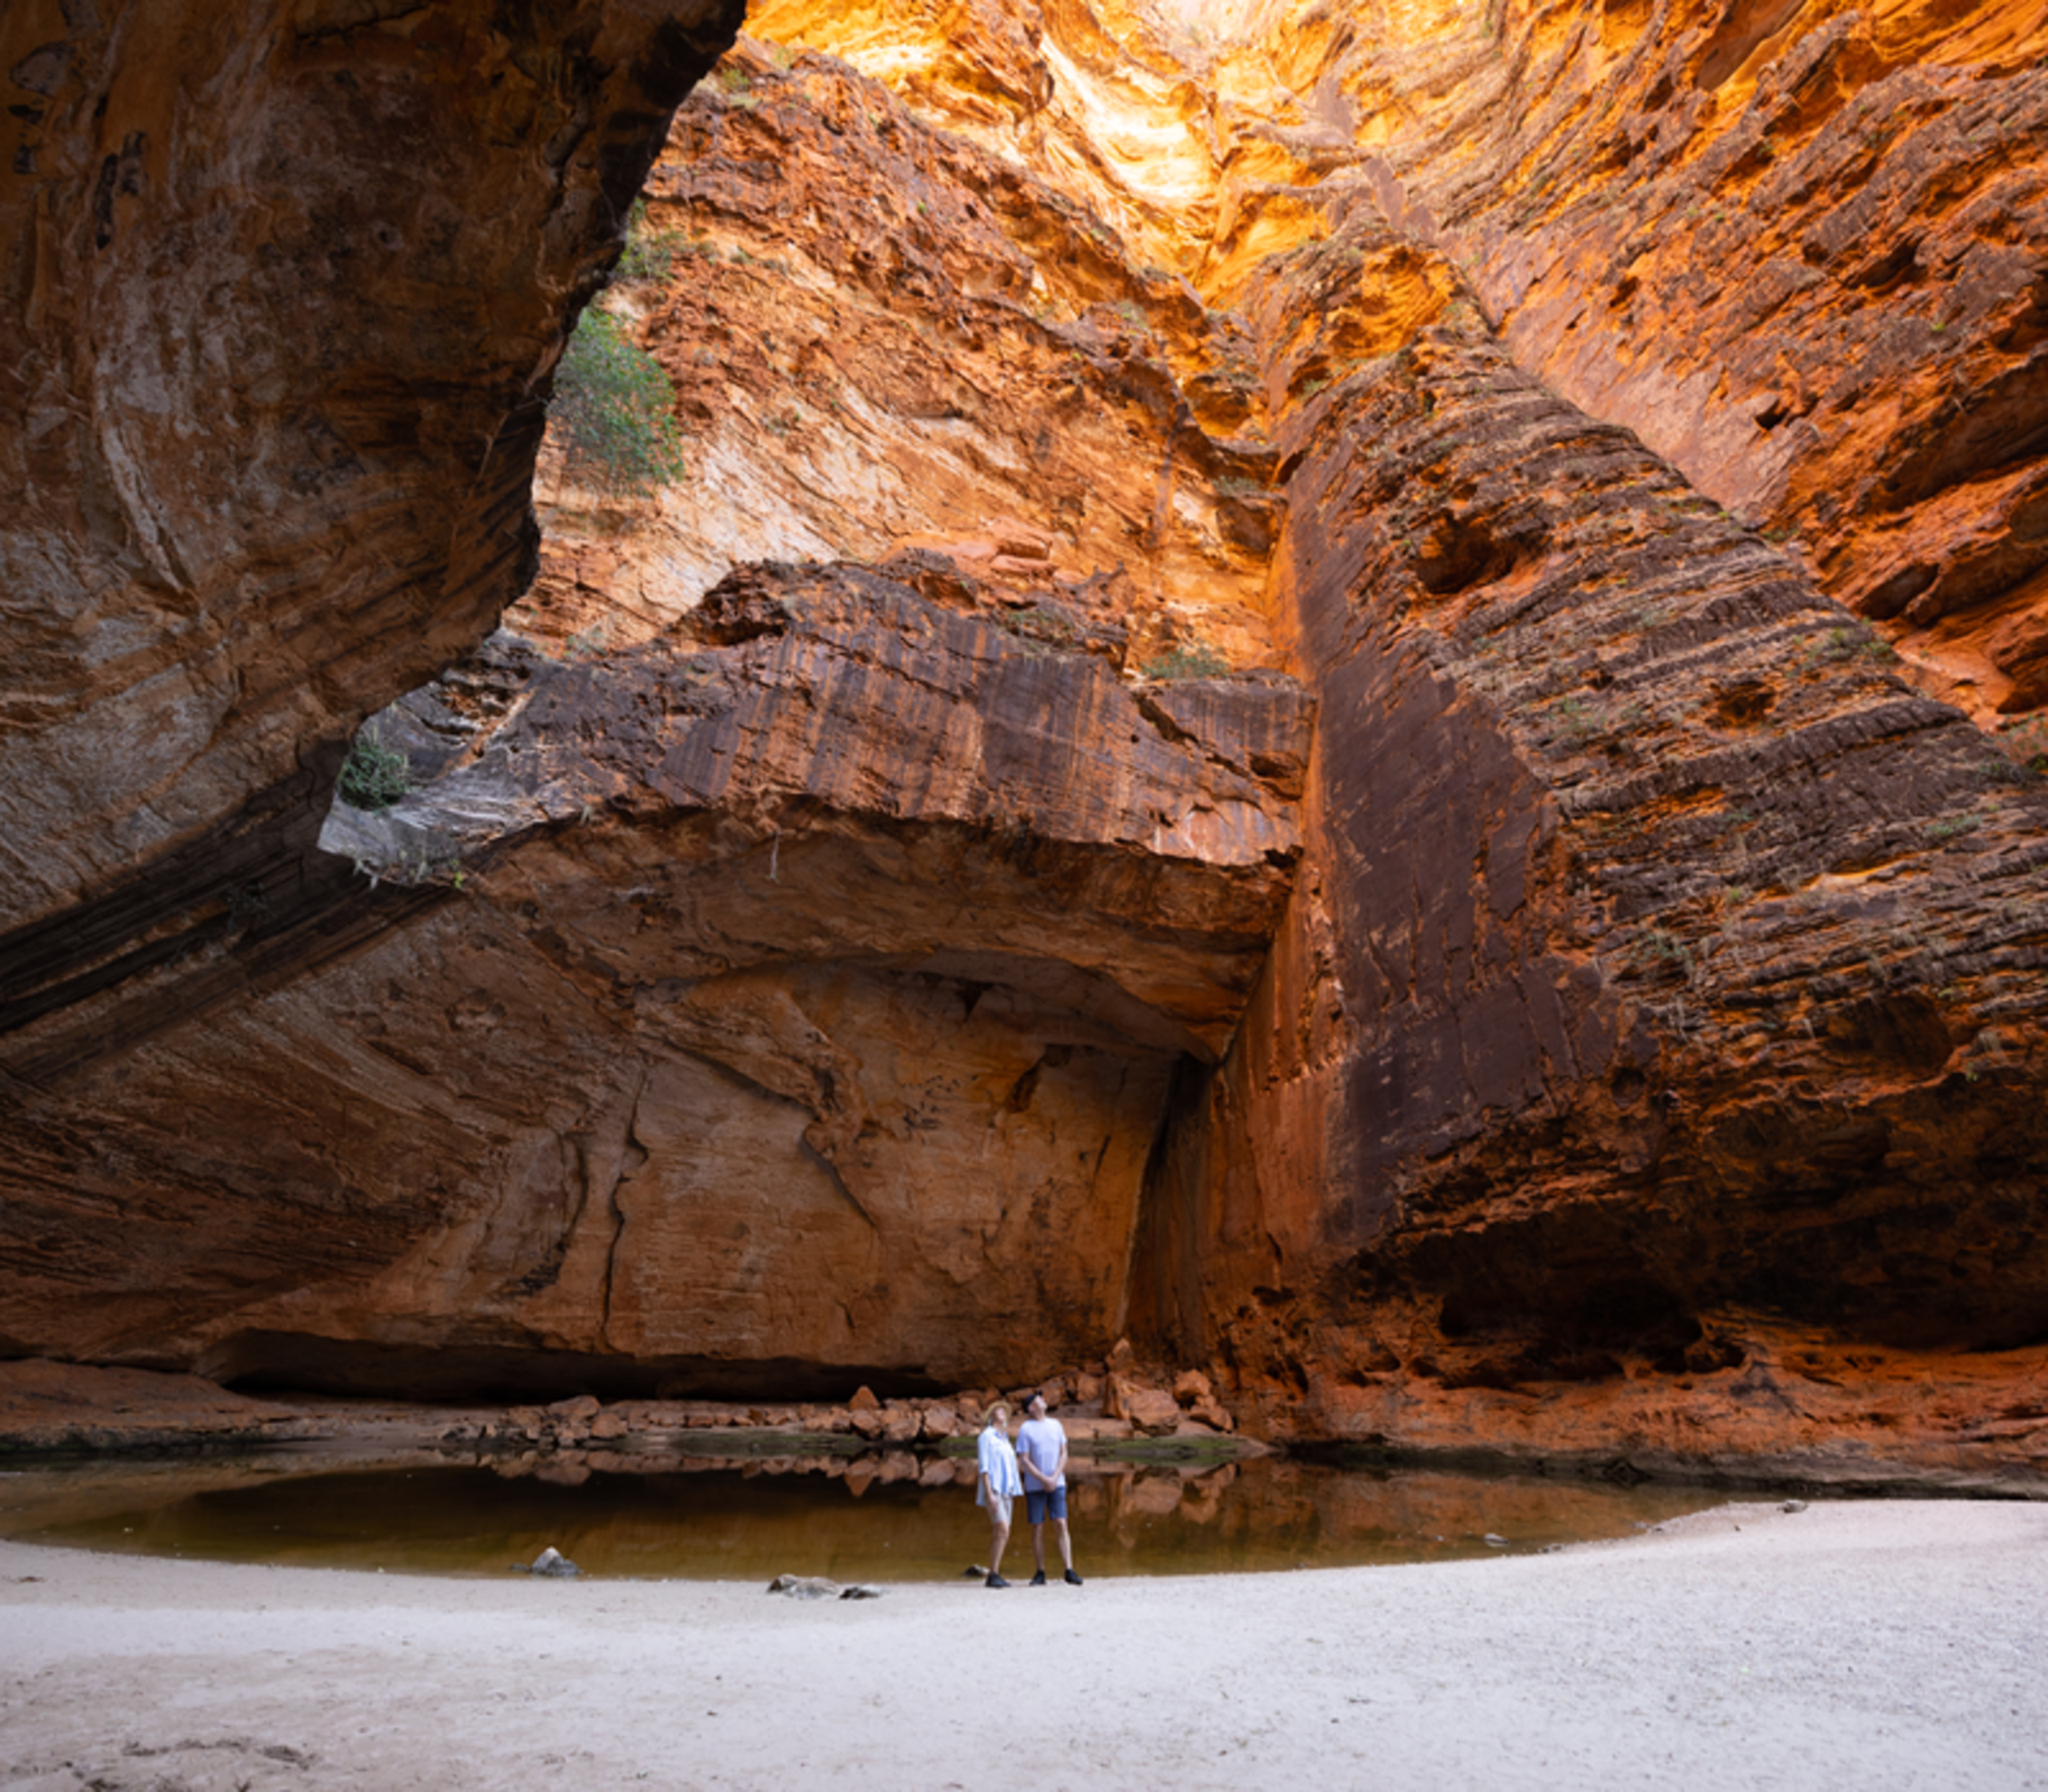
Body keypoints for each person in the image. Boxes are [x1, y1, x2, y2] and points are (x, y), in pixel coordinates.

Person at [1014, 1391, 1082, 1586]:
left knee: (1061, 1523)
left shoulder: (1056, 1425)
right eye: (1039, 1399)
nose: (1044, 1400)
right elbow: (1024, 1460)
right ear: (1031, 1408)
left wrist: (1054, 1477)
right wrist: (1043, 1479)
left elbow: (1064, 1452)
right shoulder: (1026, 1429)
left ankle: (1069, 1569)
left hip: (1057, 1483)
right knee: (1038, 1527)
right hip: (1036, 1486)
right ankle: (1040, 1572)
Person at [975, 1401, 1022, 1588]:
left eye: (1004, 1410)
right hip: (994, 1489)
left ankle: (994, 1574)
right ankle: (993, 1573)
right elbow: (984, 1467)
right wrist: (990, 1493)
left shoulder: (1003, 1438)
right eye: (997, 1410)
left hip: (1007, 1490)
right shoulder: (986, 1437)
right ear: (991, 1415)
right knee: (1003, 1529)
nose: (1001, 1412)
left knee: (1000, 1532)